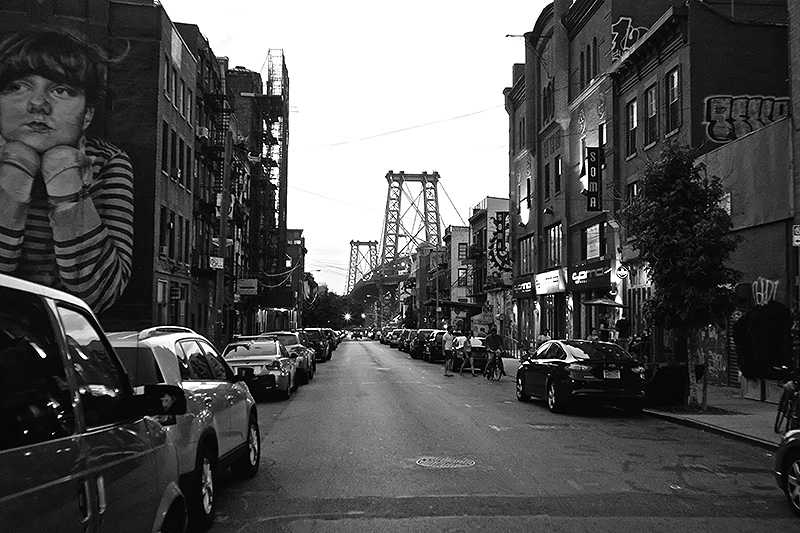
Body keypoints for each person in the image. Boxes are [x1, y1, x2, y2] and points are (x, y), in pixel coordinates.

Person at [0, 27, 133, 313]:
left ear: (87, 114)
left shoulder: (108, 163)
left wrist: (67, 188)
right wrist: (12, 176)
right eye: (18, 87)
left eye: (60, 90)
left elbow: (100, 294)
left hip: (58, 347)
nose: (38, 104)